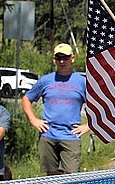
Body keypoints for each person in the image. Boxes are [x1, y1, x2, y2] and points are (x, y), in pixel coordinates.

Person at [20, 43, 89, 175]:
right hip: (48, 134)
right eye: (59, 58)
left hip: (71, 136)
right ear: (54, 59)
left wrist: (88, 126)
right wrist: (34, 120)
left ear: (72, 58)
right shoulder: (45, 80)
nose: (62, 61)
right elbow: (27, 99)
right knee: (51, 176)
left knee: (71, 176)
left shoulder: (82, 81)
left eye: (66, 58)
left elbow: (96, 106)